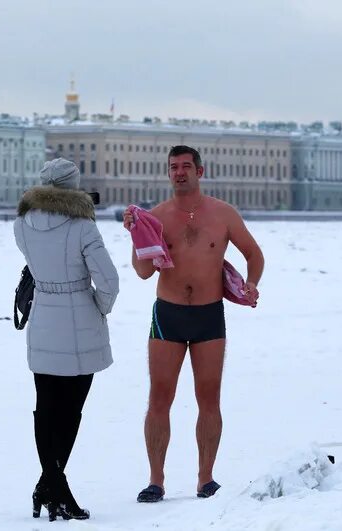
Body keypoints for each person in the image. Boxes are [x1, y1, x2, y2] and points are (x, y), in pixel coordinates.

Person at [123, 145, 264, 503]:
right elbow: (141, 272)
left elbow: (254, 253)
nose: (180, 172)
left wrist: (252, 282)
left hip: (208, 314)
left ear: (201, 171)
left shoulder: (223, 214)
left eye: (187, 166)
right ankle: (156, 480)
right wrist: (135, 234)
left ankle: (206, 479)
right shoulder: (155, 217)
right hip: (168, 314)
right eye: (174, 167)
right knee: (159, 398)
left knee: (209, 398)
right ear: (168, 173)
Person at [14, 158, 120, 521]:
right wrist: (98, 308)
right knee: (70, 411)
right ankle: (56, 491)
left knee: (46, 409)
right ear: (73, 186)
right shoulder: (83, 226)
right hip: (80, 323)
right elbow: (108, 281)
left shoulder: (21, 224)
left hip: (43, 318)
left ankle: (49, 488)